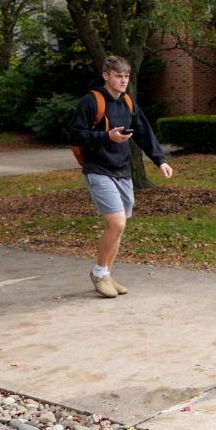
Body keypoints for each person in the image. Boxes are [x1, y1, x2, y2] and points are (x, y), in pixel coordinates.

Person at [69, 55, 173, 298]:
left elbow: (144, 132)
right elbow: (75, 136)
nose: (123, 80)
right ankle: (98, 272)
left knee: (119, 227)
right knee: (116, 223)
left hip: (122, 171)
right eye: (118, 76)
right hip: (98, 170)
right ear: (106, 76)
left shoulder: (127, 102)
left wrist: (161, 160)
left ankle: (105, 273)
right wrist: (107, 136)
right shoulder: (91, 102)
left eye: (126, 76)